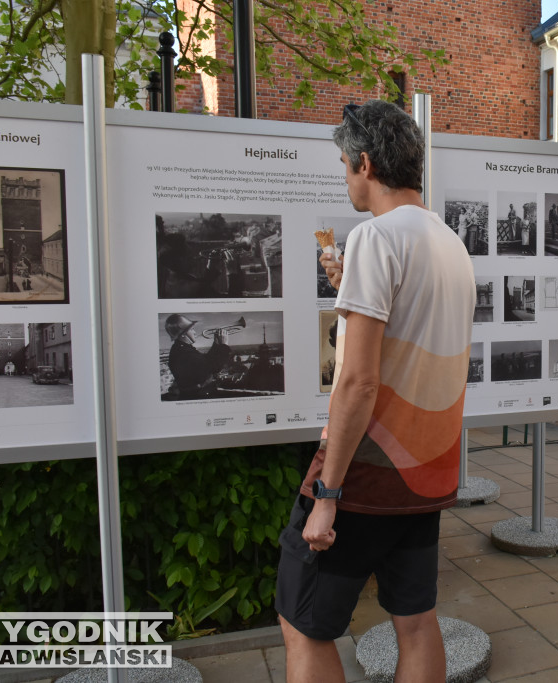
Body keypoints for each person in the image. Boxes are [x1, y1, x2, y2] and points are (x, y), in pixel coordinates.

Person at [276, 100, 476, 683]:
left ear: (365, 162)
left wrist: (328, 490)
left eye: (344, 165)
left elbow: (360, 380)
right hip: (429, 465)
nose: (345, 178)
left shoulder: (374, 237)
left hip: (370, 466)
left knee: (303, 622)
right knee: (415, 619)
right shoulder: (450, 244)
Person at [163, 314, 231, 400]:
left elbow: (205, 361)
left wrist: (216, 344)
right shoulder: (184, 353)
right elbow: (213, 367)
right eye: (192, 329)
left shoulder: (182, 348)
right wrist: (224, 345)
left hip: (197, 394)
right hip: (199, 396)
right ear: (183, 334)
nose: (195, 332)